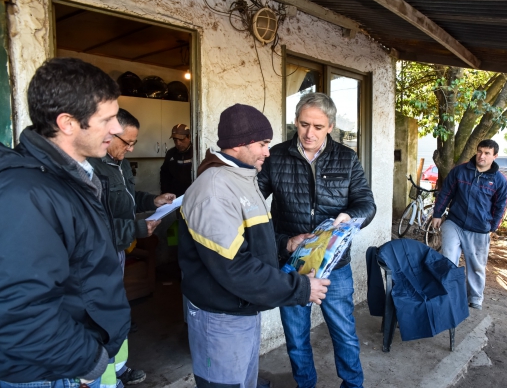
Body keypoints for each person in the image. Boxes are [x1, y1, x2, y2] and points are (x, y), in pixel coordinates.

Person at [0, 57, 130, 387]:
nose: (117, 129)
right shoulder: (23, 194)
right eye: (107, 119)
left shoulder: (71, 179)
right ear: (67, 123)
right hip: (54, 373)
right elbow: (22, 314)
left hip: (73, 360)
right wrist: (90, 362)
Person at [177, 103, 331, 388]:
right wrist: (300, 288)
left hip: (241, 310)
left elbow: (249, 243)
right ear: (238, 144)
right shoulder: (214, 189)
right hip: (220, 318)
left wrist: (285, 245)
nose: (267, 152)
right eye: (262, 144)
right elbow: (234, 267)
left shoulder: (242, 178)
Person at [258, 92, 377, 388]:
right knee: (296, 338)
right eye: (303, 124)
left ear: (331, 127)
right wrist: (283, 241)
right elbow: (253, 209)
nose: (309, 133)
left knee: (344, 333)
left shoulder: (346, 158)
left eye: (318, 127)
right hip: (293, 267)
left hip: (335, 265)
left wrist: (349, 216)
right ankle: (305, 384)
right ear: (295, 122)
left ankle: (352, 385)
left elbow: (366, 202)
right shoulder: (276, 156)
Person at [88, 108, 175, 386]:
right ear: (110, 134)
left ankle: (120, 367)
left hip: (119, 247)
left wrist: (153, 201)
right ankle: (105, 375)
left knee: (118, 307)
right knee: (103, 313)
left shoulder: (121, 163)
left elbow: (127, 198)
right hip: (99, 253)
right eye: (127, 142)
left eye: (134, 142)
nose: (131, 148)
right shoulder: (92, 169)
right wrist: (138, 229)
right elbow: (95, 227)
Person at [431, 139, 507, 310]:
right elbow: (446, 193)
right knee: (448, 259)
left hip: (479, 228)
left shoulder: (499, 181)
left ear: (495, 156)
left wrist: (492, 227)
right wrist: (437, 214)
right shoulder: (460, 171)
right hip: (455, 223)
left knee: (476, 266)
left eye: (487, 153)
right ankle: (446, 294)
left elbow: (500, 205)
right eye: (480, 151)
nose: (482, 156)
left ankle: (474, 298)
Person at [160, 123, 193, 197]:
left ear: (189, 137)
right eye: (175, 140)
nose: (178, 143)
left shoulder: (197, 152)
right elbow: (164, 175)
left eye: (181, 139)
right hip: (174, 198)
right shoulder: (170, 153)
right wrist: (165, 193)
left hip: (192, 196)